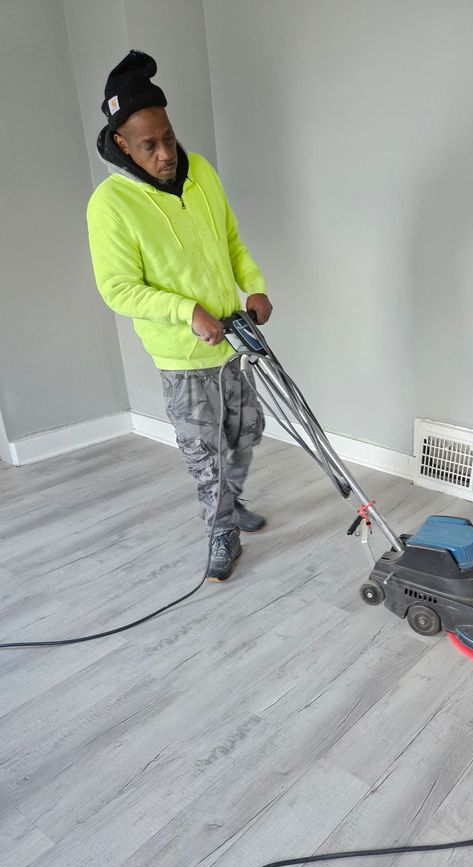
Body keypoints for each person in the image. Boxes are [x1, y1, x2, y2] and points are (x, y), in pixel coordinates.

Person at [87, 51, 271, 582]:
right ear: (122, 144)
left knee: (244, 434)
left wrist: (254, 288)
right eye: (150, 145)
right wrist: (184, 311)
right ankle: (220, 531)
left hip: (234, 338)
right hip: (182, 355)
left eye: (168, 137)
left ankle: (231, 504)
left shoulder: (202, 174)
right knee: (205, 451)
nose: (166, 153)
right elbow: (118, 289)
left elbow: (231, 243)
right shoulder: (111, 205)